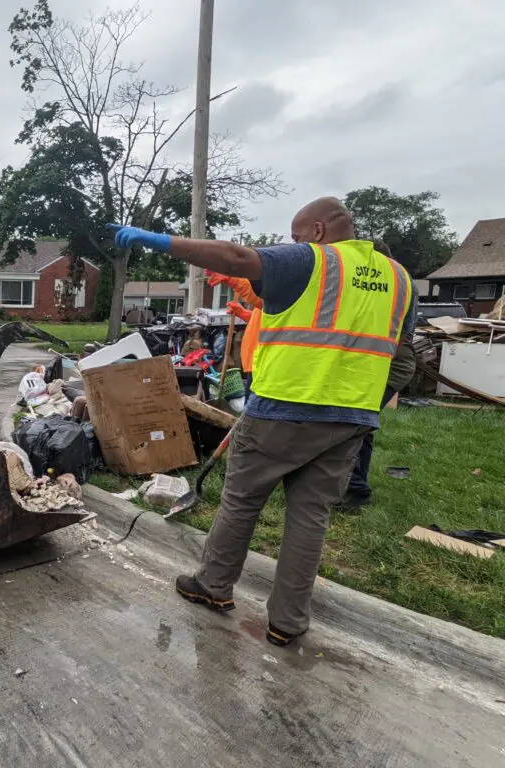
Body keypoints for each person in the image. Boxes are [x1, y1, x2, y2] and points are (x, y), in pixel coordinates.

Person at [109, 197, 416, 648]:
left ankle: (213, 587)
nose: (291, 244)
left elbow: (237, 257)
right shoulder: (399, 279)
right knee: (310, 518)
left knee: (241, 502)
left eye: (295, 236)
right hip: (349, 418)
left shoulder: (313, 259)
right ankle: (287, 622)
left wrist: (160, 241)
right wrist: (368, 401)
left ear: (315, 230)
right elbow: (403, 355)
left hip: (283, 409)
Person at [337, 238, 417, 510]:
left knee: (355, 424)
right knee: (361, 425)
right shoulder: (400, 281)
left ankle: (354, 491)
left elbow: (400, 330)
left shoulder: (396, 282)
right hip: (383, 362)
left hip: (388, 364)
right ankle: (351, 486)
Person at [207, 271, 263, 398]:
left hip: (262, 365)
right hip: (255, 363)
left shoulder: (285, 289)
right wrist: (244, 313)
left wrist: (232, 279)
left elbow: (262, 299)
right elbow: (264, 317)